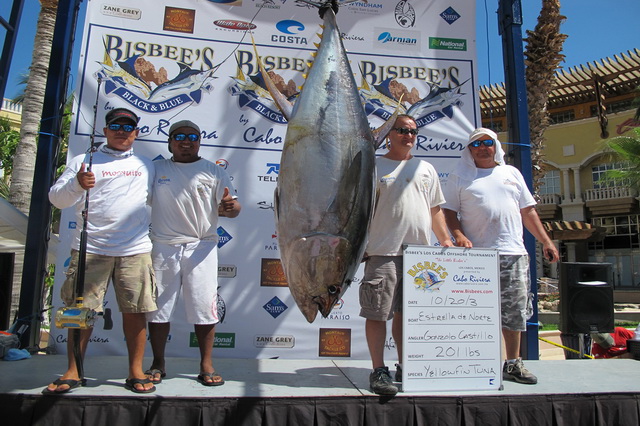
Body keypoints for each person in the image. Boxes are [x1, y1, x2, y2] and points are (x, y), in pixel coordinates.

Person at [45, 108, 156, 394]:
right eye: (116, 125)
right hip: (90, 248)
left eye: (128, 126)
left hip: (135, 249)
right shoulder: (83, 161)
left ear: (136, 132)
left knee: (136, 311)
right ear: (105, 131)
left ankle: (135, 371)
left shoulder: (148, 165)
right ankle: (73, 370)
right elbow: (56, 199)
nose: (122, 130)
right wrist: (77, 184)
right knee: (79, 311)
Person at [442, 127, 560, 385]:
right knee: (474, 313)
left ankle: (513, 364)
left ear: (495, 146)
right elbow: (449, 212)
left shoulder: (512, 173)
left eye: (488, 142)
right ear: (469, 150)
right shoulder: (459, 177)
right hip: (475, 258)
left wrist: (546, 241)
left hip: (512, 253)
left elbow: (528, 212)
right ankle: (474, 362)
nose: (483, 147)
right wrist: (458, 236)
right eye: (476, 144)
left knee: (514, 312)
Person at [359, 114, 454, 396]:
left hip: (421, 257)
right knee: (377, 314)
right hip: (382, 252)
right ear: (389, 134)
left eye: (413, 131)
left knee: (408, 315)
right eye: (401, 130)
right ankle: (378, 370)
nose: (408, 135)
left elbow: (435, 209)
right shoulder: (373, 167)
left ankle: (405, 365)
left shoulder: (426, 168)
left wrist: (445, 239)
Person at [146, 120, 241, 387]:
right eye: (179, 136)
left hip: (203, 246)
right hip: (164, 246)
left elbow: (233, 206)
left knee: (204, 308)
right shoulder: (156, 169)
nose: (185, 141)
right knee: (158, 309)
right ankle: (157, 362)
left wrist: (230, 208)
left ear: (199, 141)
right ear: (170, 142)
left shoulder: (213, 171)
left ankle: (206, 364)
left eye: (192, 136)